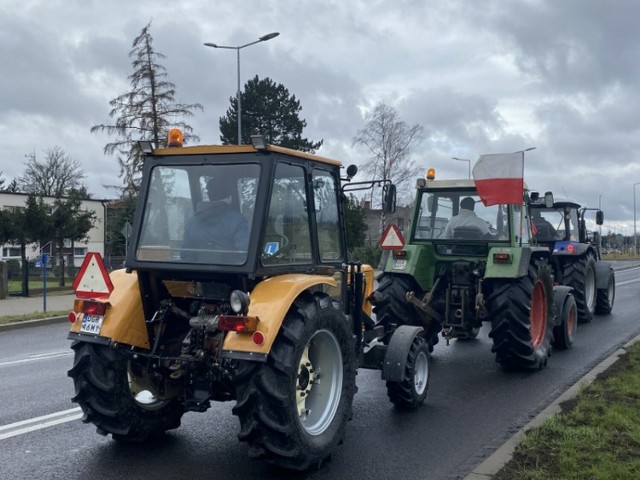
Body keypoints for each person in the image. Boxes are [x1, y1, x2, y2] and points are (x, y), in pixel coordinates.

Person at [181, 176, 249, 262]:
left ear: (209, 195)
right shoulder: (237, 221)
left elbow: (186, 254)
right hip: (231, 274)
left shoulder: (193, 220)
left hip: (195, 274)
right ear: (230, 195)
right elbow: (244, 256)